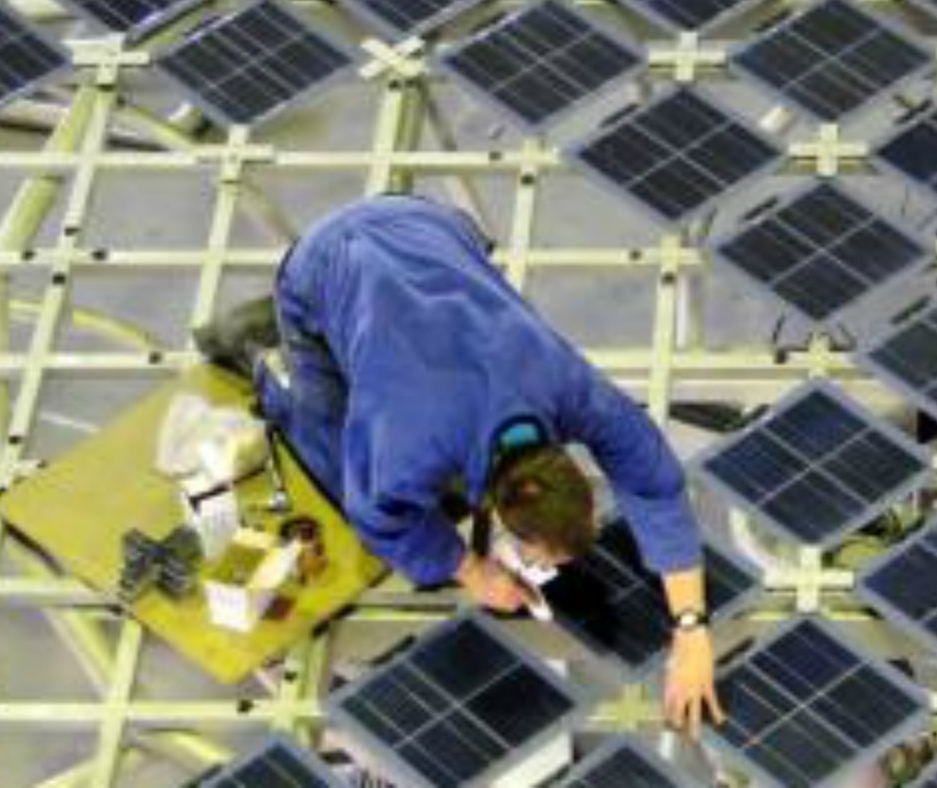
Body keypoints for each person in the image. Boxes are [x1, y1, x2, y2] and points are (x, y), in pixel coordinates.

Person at [195, 195, 722, 735]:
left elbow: (654, 481)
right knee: (330, 451)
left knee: (396, 399)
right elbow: (377, 514)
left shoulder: (569, 387)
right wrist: (471, 571)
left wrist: (691, 627)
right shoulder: (410, 447)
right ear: (502, 510)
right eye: (537, 558)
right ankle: (263, 355)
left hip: (426, 223)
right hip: (326, 262)